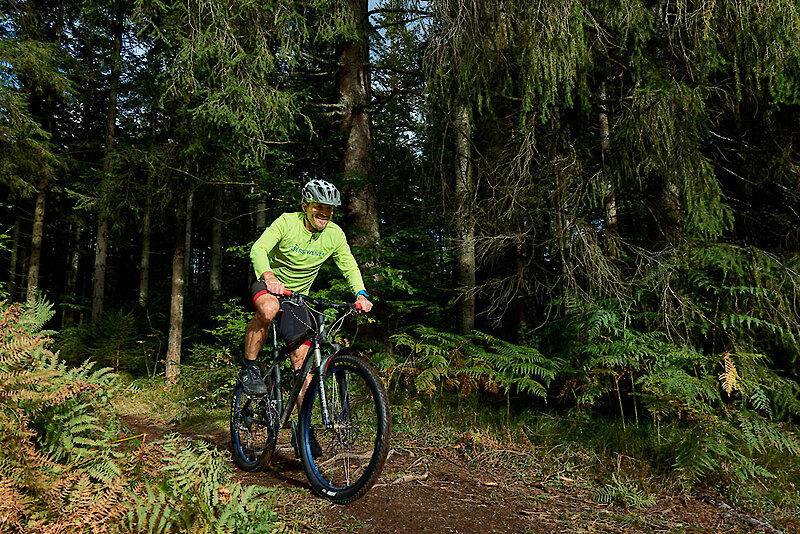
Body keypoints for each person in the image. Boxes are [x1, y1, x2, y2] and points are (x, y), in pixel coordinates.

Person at [239, 179, 373, 454]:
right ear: (306, 206)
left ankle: (303, 430)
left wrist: (360, 294)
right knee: (268, 309)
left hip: (297, 299)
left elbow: (348, 265)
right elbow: (258, 250)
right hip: (269, 286)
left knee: (303, 361)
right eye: (319, 208)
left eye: (330, 209)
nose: (325, 213)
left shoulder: (334, 234)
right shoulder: (287, 222)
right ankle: (250, 366)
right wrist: (269, 277)